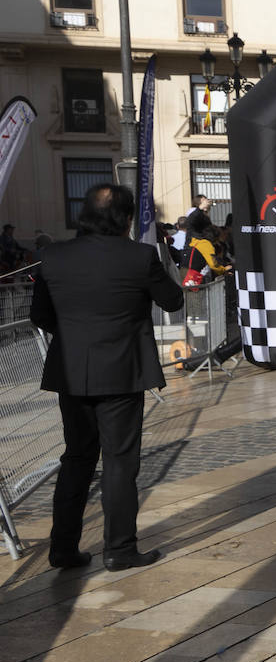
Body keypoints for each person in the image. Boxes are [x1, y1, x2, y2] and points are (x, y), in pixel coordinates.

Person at [29, 183, 183, 571]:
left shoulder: (53, 256)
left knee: (76, 459)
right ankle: (119, 549)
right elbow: (173, 300)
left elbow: (40, 317)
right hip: (122, 373)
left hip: (72, 373)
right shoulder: (139, 256)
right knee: (119, 462)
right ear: (126, 218)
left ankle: (63, 549)